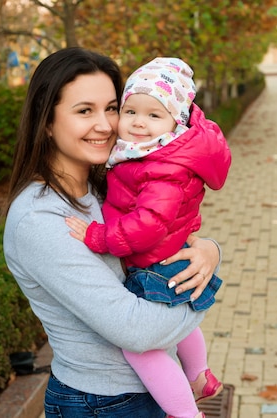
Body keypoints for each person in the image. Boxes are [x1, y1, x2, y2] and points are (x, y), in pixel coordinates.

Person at [3, 47, 223, 418]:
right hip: (102, 403)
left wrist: (209, 252)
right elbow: (134, 331)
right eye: (84, 111)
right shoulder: (39, 218)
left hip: (147, 391)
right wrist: (202, 295)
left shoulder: (104, 187)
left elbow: (163, 241)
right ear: (47, 122)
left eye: (111, 108)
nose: (105, 125)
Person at [65, 57, 231, 418]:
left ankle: (186, 413)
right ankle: (200, 375)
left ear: (175, 123)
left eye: (154, 115)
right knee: (176, 322)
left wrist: (99, 237)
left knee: (142, 349)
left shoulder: (161, 164)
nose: (139, 122)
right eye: (130, 111)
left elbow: (148, 224)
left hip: (152, 262)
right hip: (166, 255)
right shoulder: (147, 153)